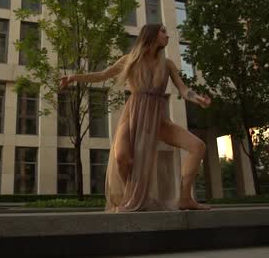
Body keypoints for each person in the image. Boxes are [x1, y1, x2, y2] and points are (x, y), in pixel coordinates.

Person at [59, 23, 212, 212]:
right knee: (122, 157)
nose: (167, 35)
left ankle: (185, 198)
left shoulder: (167, 64)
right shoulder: (129, 60)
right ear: (151, 34)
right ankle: (133, 197)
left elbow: (183, 89)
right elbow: (102, 75)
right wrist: (74, 77)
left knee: (198, 146)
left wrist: (198, 99)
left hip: (157, 119)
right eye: (163, 31)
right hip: (132, 116)